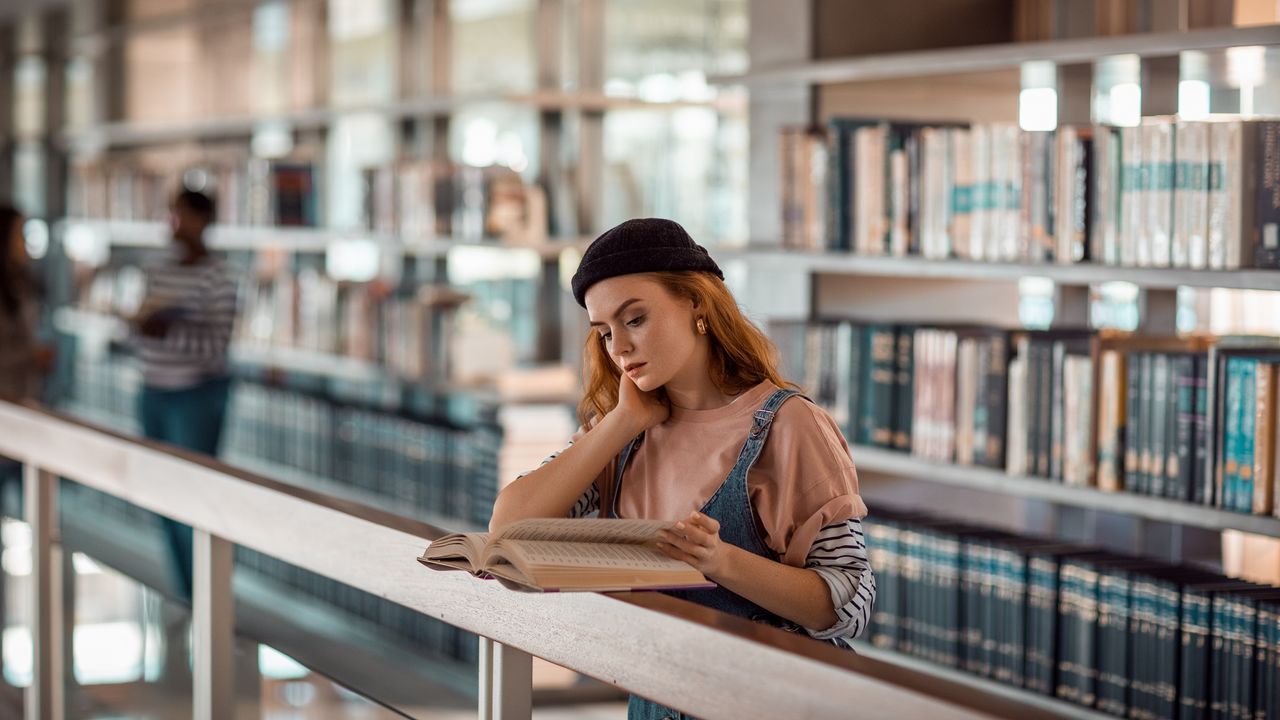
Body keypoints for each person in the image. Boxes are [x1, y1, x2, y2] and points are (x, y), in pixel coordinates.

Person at [489, 218, 875, 719]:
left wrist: (721, 562)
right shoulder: (621, 436)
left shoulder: (790, 425)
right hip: (656, 702)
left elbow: (849, 605)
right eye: (604, 332)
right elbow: (508, 529)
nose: (619, 348)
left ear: (696, 304)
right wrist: (624, 419)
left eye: (635, 319)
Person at [131, 188, 238, 599]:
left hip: (195, 397)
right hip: (152, 391)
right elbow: (138, 334)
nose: (174, 223)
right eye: (171, 214)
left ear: (203, 221)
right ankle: (184, 590)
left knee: (194, 495)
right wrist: (147, 329)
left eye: (182, 216)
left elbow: (215, 349)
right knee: (160, 493)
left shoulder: (218, 276)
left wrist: (165, 333)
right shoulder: (154, 267)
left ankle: (205, 592)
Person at [0, 205, 53, 405]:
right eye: (20, 235)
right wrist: (32, 355)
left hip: (24, 395)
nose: (24, 243)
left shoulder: (20, 282)